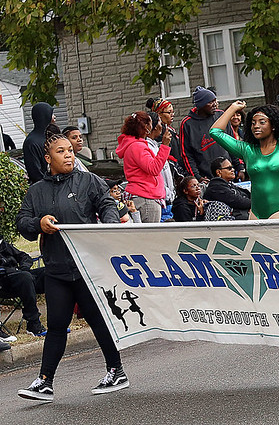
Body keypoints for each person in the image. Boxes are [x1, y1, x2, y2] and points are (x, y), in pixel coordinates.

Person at [17, 134, 127, 402]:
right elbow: (22, 222)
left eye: (70, 150)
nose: (69, 155)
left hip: (86, 268)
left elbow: (107, 204)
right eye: (61, 151)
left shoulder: (87, 180)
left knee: (97, 320)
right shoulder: (37, 191)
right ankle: (45, 382)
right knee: (55, 326)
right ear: (48, 158)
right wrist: (38, 224)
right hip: (56, 270)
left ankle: (116, 371)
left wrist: (110, 227)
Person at [115, 112, 171, 223]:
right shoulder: (137, 147)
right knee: (150, 238)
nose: (158, 124)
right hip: (146, 197)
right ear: (146, 127)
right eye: (152, 122)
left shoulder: (134, 145)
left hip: (144, 195)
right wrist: (164, 146)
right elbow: (154, 169)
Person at [178, 87, 233, 181]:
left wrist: (240, 167)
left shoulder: (221, 115)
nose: (215, 104)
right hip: (206, 178)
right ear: (201, 105)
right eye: (210, 102)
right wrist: (197, 177)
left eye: (215, 100)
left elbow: (232, 143)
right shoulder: (187, 124)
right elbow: (186, 155)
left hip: (227, 174)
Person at [0, 236, 46, 336]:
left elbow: (24, 256)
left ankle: (58, 319)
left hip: (21, 277)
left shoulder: (3, 245)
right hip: (4, 284)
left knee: (49, 273)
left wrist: (24, 267)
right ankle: (33, 324)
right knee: (25, 278)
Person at [145, 113, 177, 220]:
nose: (162, 126)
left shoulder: (154, 145)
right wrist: (165, 145)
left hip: (167, 199)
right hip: (159, 198)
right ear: (152, 127)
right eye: (159, 122)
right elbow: (155, 169)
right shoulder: (146, 147)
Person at [146, 97, 184, 176]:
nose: (172, 115)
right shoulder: (159, 134)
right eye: (169, 112)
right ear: (159, 114)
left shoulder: (170, 130)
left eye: (173, 112)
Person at [23, 102, 56, 184]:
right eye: (51, 114)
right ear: (45, 115)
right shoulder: (31, 142)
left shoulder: (51, 137)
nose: (54, 117)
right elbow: (35, 173)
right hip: (44, 189)